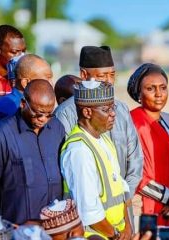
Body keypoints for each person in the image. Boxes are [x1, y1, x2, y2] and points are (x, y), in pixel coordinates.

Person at [54, 46, 143, 222]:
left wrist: (124, 201)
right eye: (103, 76)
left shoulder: (122, 110)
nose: (109, 81)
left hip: (123, 215)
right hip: (87, 220)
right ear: (84, 75)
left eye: (112, 75)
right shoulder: (66, 113)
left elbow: (135, 161)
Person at [0, 79, 64, 225]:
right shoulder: (2, 133)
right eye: (38, 114)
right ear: (23, 104)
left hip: (54, 229)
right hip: (17, 230)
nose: (44, 119)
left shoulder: (57, 128)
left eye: (49, 114)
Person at [127, 63, 169, 239]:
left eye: (163, 88)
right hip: (143, 205)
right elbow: (132, 171)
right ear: (138, 94)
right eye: (151, 88)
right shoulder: (131, 123)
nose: (159, 94)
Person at [0, 54, 53, 190]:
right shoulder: (6, 107)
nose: (51, 83)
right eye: (47, 78)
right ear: (25, 82)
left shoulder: (34, 108)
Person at [60, 80, 131, 239]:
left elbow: (120, 188)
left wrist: (127, 226)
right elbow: (89, 214)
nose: (113, 114)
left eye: (113, 108)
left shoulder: (104, 140)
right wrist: (117, 235)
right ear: (87, 112)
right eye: (106, 109)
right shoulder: (79, 151)